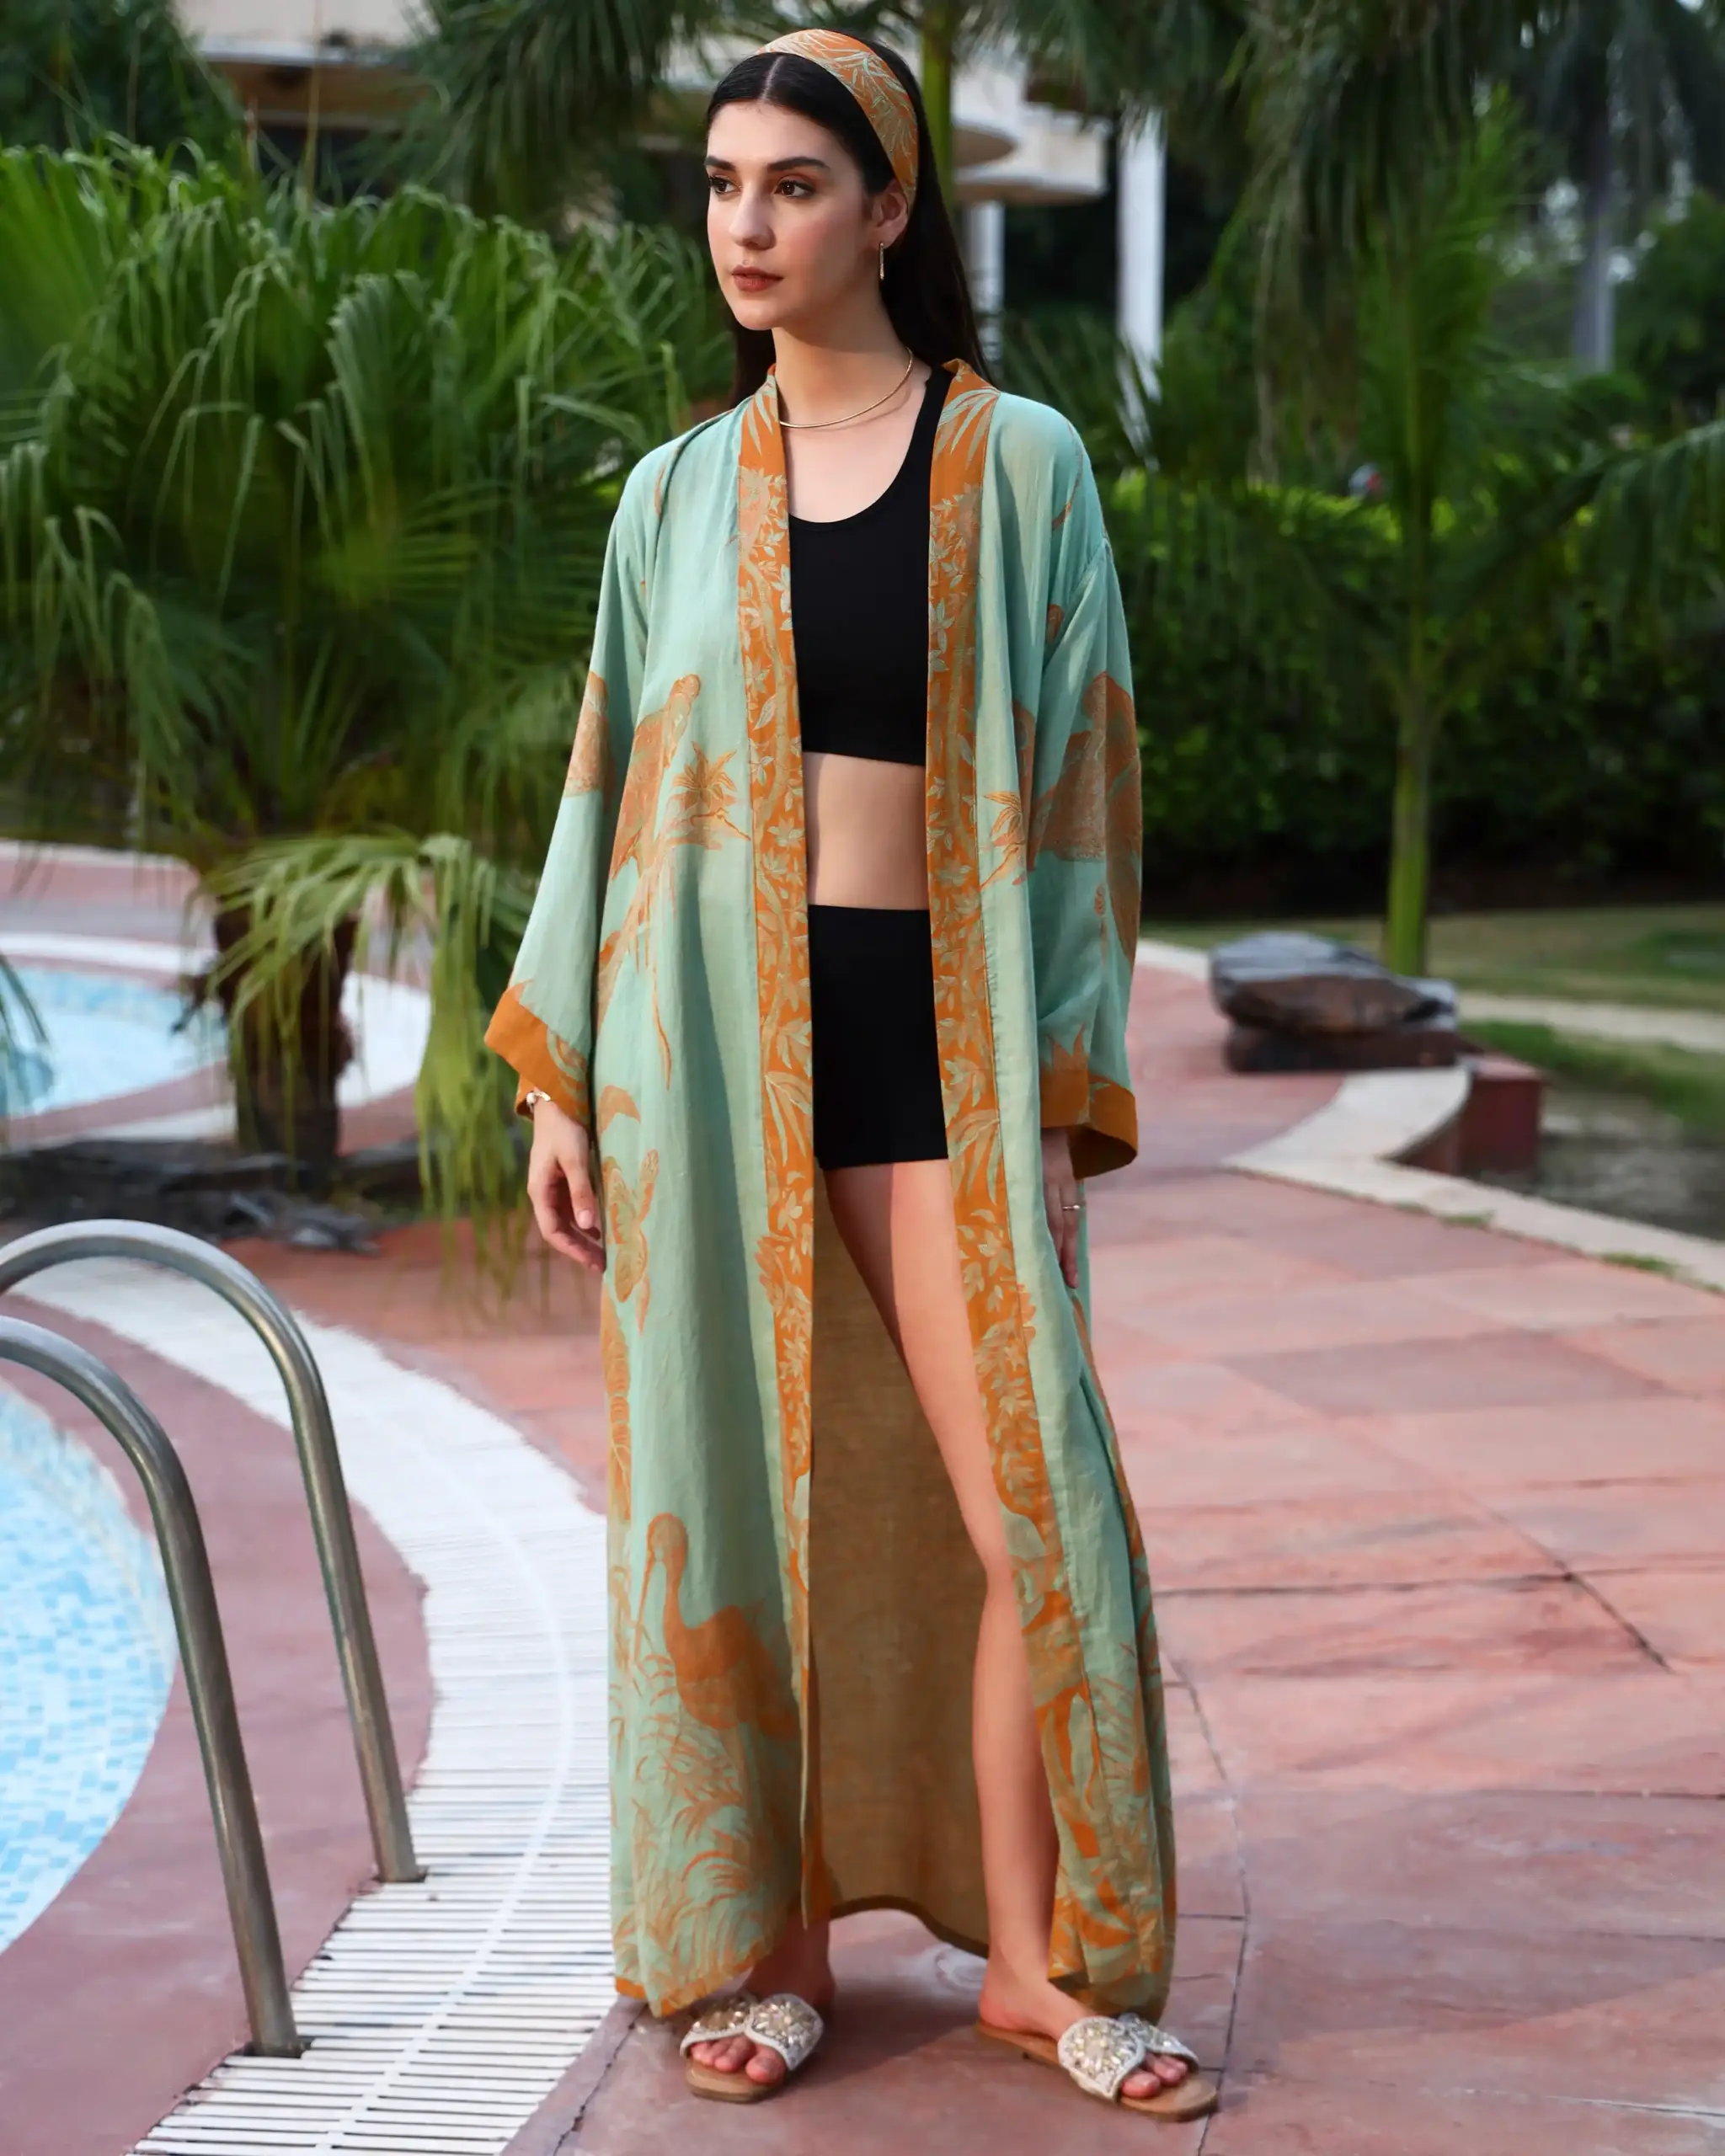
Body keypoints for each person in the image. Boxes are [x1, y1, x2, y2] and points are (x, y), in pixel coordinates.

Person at [484, 27, 1215, 2124]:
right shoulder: (672, 495)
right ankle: (772, 1949)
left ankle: (1036, 1961)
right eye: (722, 185)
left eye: (792, 185)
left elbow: (1079, 798)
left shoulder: (1024, 463)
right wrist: (559, 1085)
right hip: (707, 1071)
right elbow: (608, 791)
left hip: (940, 1053)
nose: (746, 224)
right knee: (742, 1499)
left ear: (887, 209)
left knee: (1031, 1511)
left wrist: (1058, 1098)